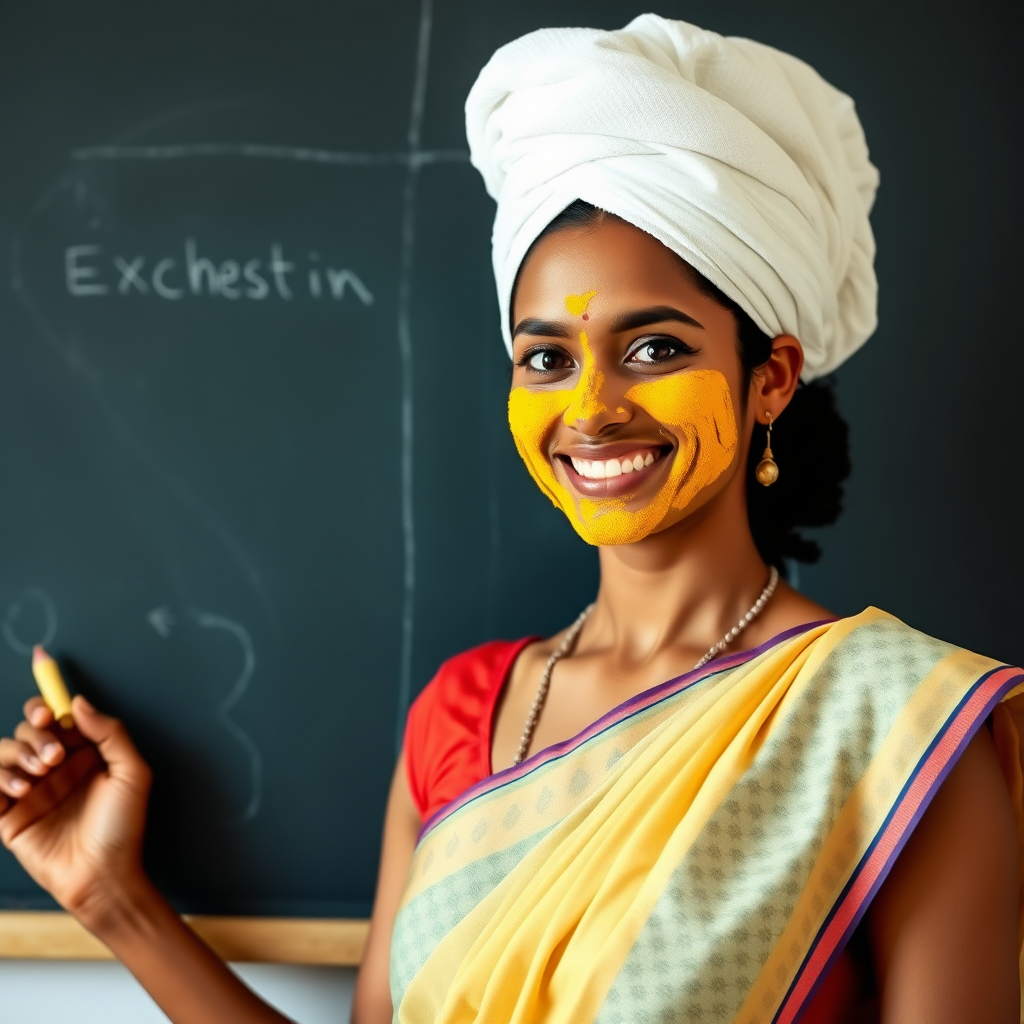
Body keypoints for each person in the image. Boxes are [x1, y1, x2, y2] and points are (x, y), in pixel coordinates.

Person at [1, 14, 1022, 1024]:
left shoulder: (900, 730)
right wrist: (113, 899)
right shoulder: (460, 715)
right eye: (546, 358)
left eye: (655, 349)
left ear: (771, 377)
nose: (590, 408)